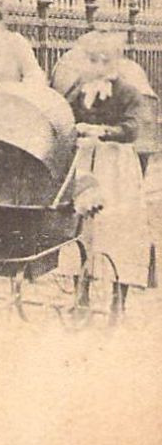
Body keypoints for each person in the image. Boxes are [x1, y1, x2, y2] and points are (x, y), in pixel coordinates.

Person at [58, 30, 158, 301]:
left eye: (105, 61)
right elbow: (66, 117)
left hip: (115, 166)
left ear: (116, 62)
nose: (99, 67)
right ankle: (81, 293)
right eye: (93, 60)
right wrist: (74, 130)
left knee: (116, 225)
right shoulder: (81, 91)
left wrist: (103, 131)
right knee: (81, 225)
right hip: (86, 163)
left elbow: (133, 128)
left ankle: (118, 297)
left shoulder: (126, 92)